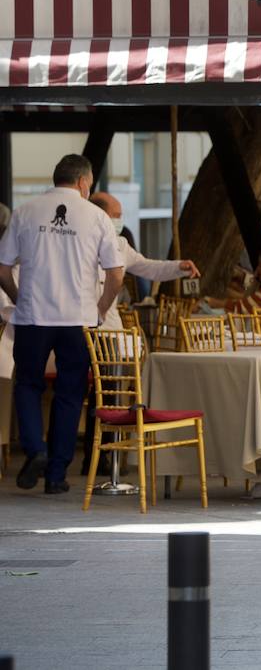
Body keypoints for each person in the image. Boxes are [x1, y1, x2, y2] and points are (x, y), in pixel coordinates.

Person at [0, 155, 125, 494]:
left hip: (34, 317)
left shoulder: (25, 212)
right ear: (84, 183)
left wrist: (19, 296)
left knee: (28, 385)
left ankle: (35, 450)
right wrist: (99, 310)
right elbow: (116, 273)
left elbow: (1, 268)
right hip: (78, 321)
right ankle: (56, 475)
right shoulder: (97, 217)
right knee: (70, 395)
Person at [89, 192, 199, 298]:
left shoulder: (121, 245)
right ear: (100, 216)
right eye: (116, 216)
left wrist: (178, 267)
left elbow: (149, 268)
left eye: (120, 217)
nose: (119, 221)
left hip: (109, 316)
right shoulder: (79, 244)